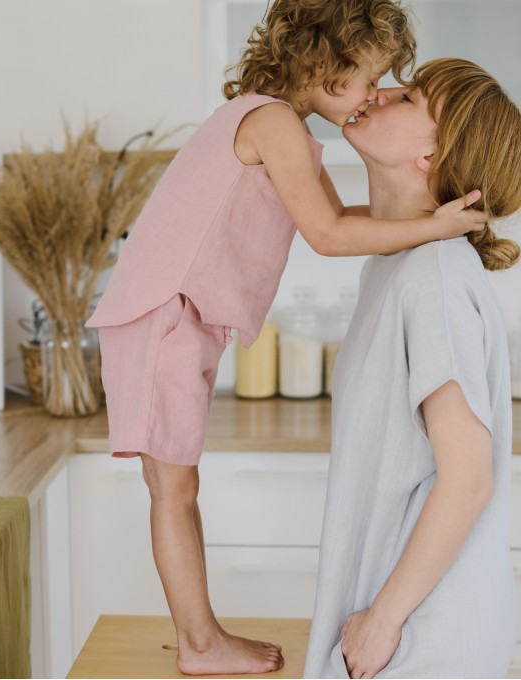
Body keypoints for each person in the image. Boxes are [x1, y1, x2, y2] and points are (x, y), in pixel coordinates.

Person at [85, 0, 486, 674]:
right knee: (174, 489)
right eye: (368, 78)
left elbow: (332, 215)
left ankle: (200, 637)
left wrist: (427, 220)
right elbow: (329, 237)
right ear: (323, 65)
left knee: (174, 486)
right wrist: (432, 228)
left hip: (174, 316)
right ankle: (199, 643)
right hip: (164, 316)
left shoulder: (275, 122)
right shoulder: (270, 122)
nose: (370, 97)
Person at [304, 57, 521, 679]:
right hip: (406, 623)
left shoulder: (433, 273)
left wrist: (383, 620)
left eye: (410, 98)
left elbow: (467, 478)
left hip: (425, 635)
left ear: (433, 156)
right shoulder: (397, 260)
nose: (383, 90)